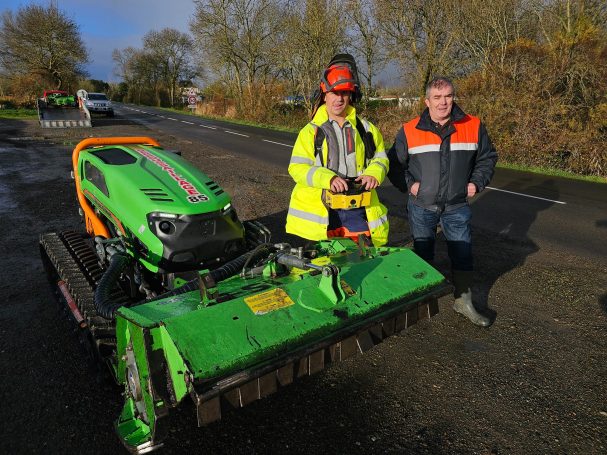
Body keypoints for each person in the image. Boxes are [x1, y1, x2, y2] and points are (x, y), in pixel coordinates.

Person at [387, 76, 497, 327]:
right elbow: (394, 163)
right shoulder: (409, 129)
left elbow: (487, 157)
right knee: (423, 252)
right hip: (421, 204)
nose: (443, 102)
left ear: (453, 97)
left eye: (448, 96)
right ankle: (422, 301)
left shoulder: (473, 125)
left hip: (456, 205)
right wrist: (410, 185)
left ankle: (463, 301)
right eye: (437, 97)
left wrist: (476, 182)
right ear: (427, 101)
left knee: (462, 253)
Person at [286, 56, 389, 246]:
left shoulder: (366, 129)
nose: (339, 98)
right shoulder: (311, 131)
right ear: (325, 94)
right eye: (334, 92)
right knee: (323, 267)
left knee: (361, 263)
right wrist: (329, 179)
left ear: (351, 95)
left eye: (344, 93)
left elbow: (381, 157)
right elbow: (297, 168)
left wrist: (374, 173)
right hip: (322, 213)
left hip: (358, 208)